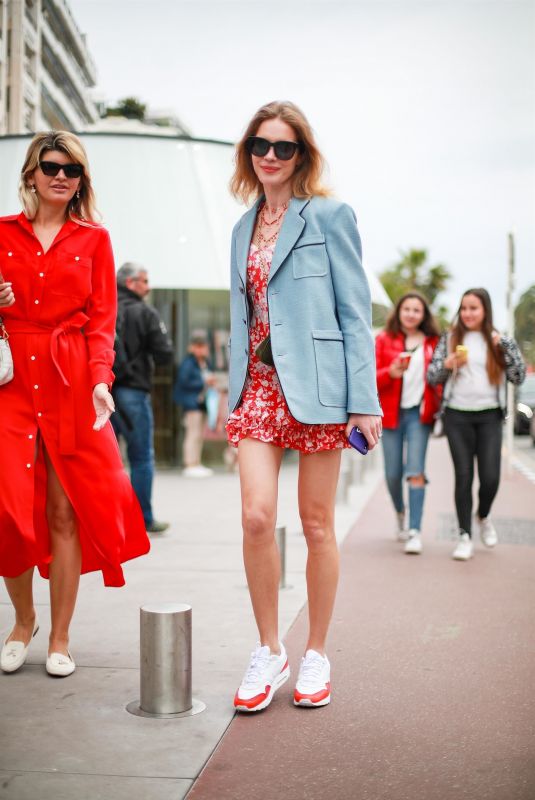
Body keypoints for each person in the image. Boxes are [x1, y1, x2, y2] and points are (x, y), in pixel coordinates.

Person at [226, 101, 382, 712]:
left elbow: (355, 313)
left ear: (301, 155)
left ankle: (315, 649)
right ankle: (271, 648)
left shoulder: (330, 216)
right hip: (259, 388)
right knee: (256, 518)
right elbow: (244, 319)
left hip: (320, 389)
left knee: (317, 524)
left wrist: (362, 403)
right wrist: (232, 392)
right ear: (249, 153)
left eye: (282, 147)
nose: (269, 156)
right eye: (260, 146)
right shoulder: (242, 228)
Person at [0, 131, 150, 678]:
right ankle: (23, 621)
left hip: (69, 382)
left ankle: (60, 636)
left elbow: (102, 323)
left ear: (80, 180)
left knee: (64, 512)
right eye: (51, 165)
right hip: (11, 383)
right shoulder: (1, 234)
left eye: (72, 169)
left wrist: (100, 380)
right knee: (8, 512)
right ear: (32, 173)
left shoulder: (94, 240)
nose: (61, 175)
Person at [427, 288, 525, 560]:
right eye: (464, 308)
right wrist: (447, 364)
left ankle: (483, 515)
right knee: (463, 475)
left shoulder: (498, 339)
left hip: (490, 416)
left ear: (485, 311)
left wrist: (505, 346)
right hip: (457, 416)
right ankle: (464, 535)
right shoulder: (449, 338)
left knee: (491, 478)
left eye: (474, 308)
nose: (468, 314)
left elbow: (518, 377)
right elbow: (432, 376)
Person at [375, 292, 441, 555]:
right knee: (392, 473)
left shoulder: (433, 343)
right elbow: (370, 379)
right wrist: (389, 373)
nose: (412, 314)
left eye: (417, 310)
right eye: (407, 309)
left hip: (419, 415)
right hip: (390, 414)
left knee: (415, 470)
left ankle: (415, 530)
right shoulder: (383, 340)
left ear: (424, 315)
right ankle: (400, 513)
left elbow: (439, 378)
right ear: (399, 312)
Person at [111, 262, 173, 533]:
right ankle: (141, 519)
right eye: (144, 281)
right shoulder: (145, 312)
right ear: (130, 283)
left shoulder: (105, 307)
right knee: (141, 458)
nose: (148, 287)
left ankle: (106, 520)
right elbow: (164, 354)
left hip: (101, 393)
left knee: (107, 461)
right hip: (133, 392)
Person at [173, 333, 216, 477]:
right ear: (192, 348)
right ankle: (189, 463)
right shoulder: (188, 363)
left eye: (204, 347)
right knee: (192, 433)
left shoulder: (206, 362)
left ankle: (196, 462)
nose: (202, 350)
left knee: (199, 434)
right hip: (191, 403)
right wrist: (204, 382)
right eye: (199, 347)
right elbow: (183, 382)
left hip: (203, 402)